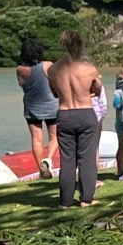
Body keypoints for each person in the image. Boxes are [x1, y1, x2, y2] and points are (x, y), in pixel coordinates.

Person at [51, 31, 104, 207]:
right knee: (86, 158)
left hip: (64, 114)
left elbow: (54, 93)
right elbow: (97, 89)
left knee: (67, 160)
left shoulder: (53, 70)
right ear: (80, 45)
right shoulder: (89, 69)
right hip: (85, 112)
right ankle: (86, 198)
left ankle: (65, 201)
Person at [17, 38, 59, 178]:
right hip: (52, 105)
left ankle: (41, 169)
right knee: (54, 136)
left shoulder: (20, 70)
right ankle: (48, 160)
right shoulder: (48, 65)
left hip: (32, 107)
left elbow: (22, 85)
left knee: (36, 139)